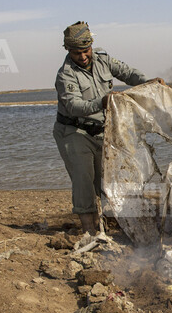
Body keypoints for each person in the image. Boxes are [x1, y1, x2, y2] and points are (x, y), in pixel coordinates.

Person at [54, 21, 162, 239]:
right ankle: (90, 231)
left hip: (102, 131)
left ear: (91, 46)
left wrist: (147, 82)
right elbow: (74, 107)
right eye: (76, 53)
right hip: (74, 132)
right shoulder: (65, 75)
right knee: (83, 178)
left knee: (108, 179)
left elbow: (126, 72)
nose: (82, 57)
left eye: (85, 51)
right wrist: (101, 102)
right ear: (68, 51)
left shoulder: (103, 59)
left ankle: (110, 222)